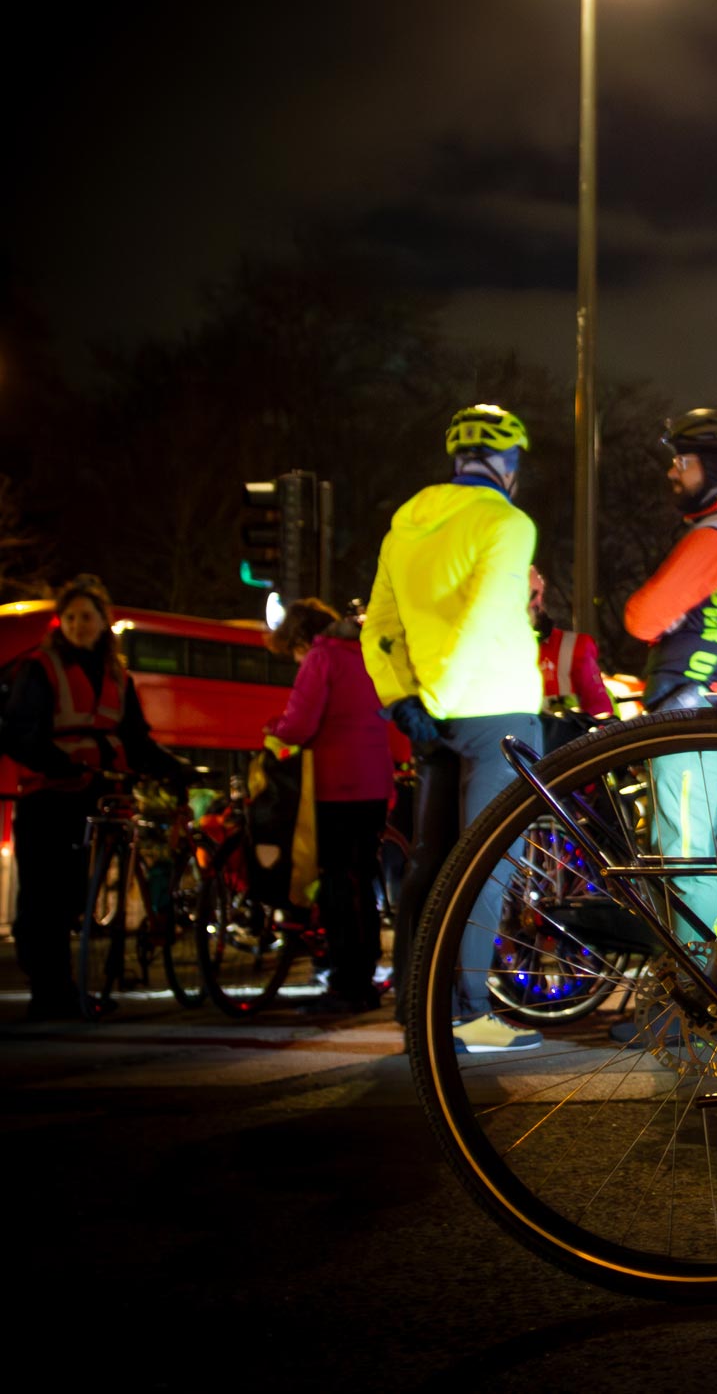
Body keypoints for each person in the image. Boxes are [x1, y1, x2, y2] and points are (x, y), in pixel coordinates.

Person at [364, 403, 545, 1053]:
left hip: (430, 721)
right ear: (508, 462)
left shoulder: (404, 525)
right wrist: (442, 693)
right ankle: (468, 1014)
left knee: (430, 863)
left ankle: (416, 1011)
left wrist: (407, 699)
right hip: (496, 713)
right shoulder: (506, 522)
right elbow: (484, 618)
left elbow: (378, 625)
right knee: (486, 867)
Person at [0, 574, 192, 1020]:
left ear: (103, 621)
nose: (77, 624)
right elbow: (17, 732)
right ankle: (50, 992)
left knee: (70, 898)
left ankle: (66, 988)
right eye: (69, 617)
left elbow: (135, 738)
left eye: (86, 616)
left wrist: (172, 767)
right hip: (47, 798)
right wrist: (55, 762)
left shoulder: (115, 676)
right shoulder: (39, 669)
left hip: (93, 797)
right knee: (42, 899)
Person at [619, 410, 717, 954]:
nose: (672, 472)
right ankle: (692, 968)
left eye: (680, 462)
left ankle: (699, 981)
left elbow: (642, 616)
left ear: (710, 468)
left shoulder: (716, 535)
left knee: (683, 852)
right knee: (692, 845)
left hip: (692, 707)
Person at [265, 598, 395, 1014]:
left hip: (335, 785)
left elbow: (301, 724)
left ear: (303, 638)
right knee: (362, 880)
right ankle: (366, 976)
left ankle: (346, 984)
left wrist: (276, 729)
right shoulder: (366, 654)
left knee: (337, 883)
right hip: (375, 783)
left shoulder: (322, 657)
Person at [529, 567, 612, 724]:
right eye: (533, 595)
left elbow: (600, 710)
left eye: (540, 594)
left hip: (562, 743)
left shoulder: (574, 647)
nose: (539, 604)